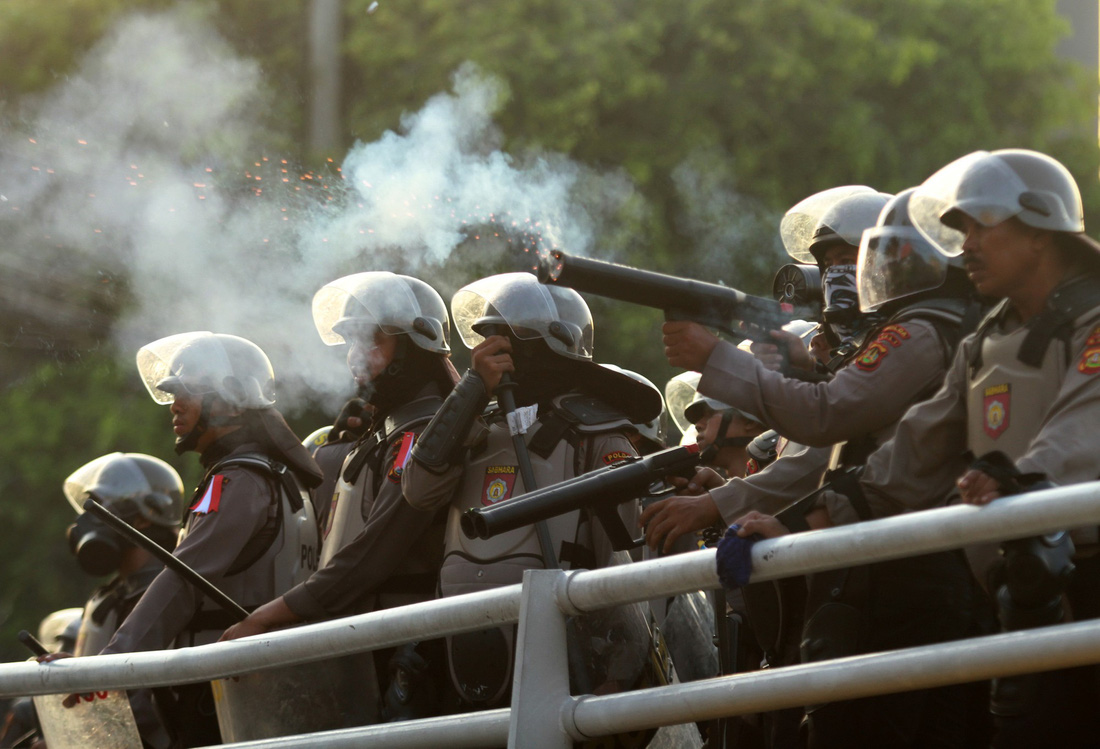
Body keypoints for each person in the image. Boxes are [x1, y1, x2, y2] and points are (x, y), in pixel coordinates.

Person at [734, 148, 1100, 748]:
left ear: (1038, 232)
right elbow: (905, 459)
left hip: (1085, 582)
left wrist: (1013, 478)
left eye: (982, 225)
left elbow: (1082, 432)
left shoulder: (1093, 319)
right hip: (1019, 594)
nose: (966, 244)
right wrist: (792, 528)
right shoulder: (986, 340)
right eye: (959, 231)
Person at [656, 185, 990, 748]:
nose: (838, 274)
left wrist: (713, 357)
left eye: (850, 259)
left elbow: (827, 418)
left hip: (896, 576)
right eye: (827, 262)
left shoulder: (918, 329)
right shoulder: (920, 329)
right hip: (897, 565)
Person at [401, 271, 663, 711]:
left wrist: (621, 673)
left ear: (547, 344)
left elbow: (624, 568)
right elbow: (417, 490)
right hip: (458, 653)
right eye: (484, 339)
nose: (488, 351)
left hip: (559, 657)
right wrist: (470, 392)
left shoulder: (597, 435)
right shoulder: (472, 427)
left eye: (503, 338)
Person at [221, 271, 458, 722]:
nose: (356, 358)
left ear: (412, 349)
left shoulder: (425, 435)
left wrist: (266, 618)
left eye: (372, 341)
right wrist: (339, 440)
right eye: (350, 343)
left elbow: (371, 554)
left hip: (406, 652)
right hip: (368, 648)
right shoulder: (387, 433)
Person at [98, 332, 322, 746]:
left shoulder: (238, 479)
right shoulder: (281, 476)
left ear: (229, 400)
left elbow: (182, 580)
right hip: (266, 686)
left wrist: (107, 669)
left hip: (231, 695)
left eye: (189, 392)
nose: (175, 404)